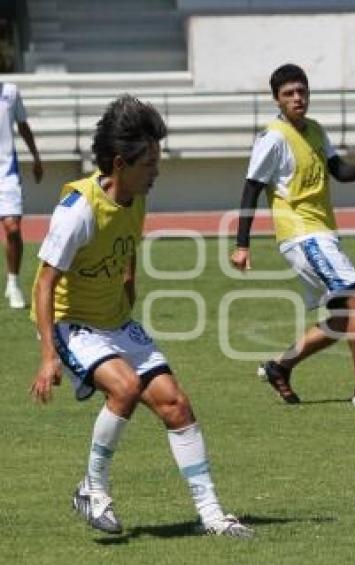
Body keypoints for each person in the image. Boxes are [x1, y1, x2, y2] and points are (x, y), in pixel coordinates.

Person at [29, 95, 252, 538]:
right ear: (119, 162)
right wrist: (48, 357)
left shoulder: (135, 196)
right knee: (126, 387)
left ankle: (211, 516)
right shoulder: (78, 211)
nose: (157, 170)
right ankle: (92, 488)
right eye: (148, 162)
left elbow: (127, 244)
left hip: (116, 323)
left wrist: (129, 282)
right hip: (72, 323)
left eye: (157, 159)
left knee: (176, 404)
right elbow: (43, 283)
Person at [230, 63, 355, 407]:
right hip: (302, 234)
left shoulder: (315, 130)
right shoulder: (274, 138)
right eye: (289, 94)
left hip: (321, 232)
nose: (297, 98)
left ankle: (280, 367)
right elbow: (251, 189)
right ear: (276, 100)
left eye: (302, 91)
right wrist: (241, 245)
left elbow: (338, 171)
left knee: (344, 317)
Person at [1, 80, 43, 308]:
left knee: (13, 228)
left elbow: (23, 126)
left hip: (6, 172)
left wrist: (36, 158)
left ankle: (13, 283)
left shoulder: (10, 91)